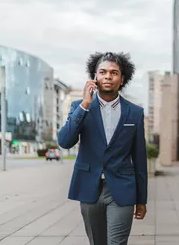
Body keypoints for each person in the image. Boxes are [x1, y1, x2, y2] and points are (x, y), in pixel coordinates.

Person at [58, 52, 147, 245]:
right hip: (90, 188)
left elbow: (140, 158)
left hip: (122, 188)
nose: (108, 76)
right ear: (95, 77)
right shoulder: (79, 107)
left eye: (114, 73)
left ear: (122, 79)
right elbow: (65, 141)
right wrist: (85, 105)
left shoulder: (135, 113)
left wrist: (142, 199)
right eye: (103, 72)